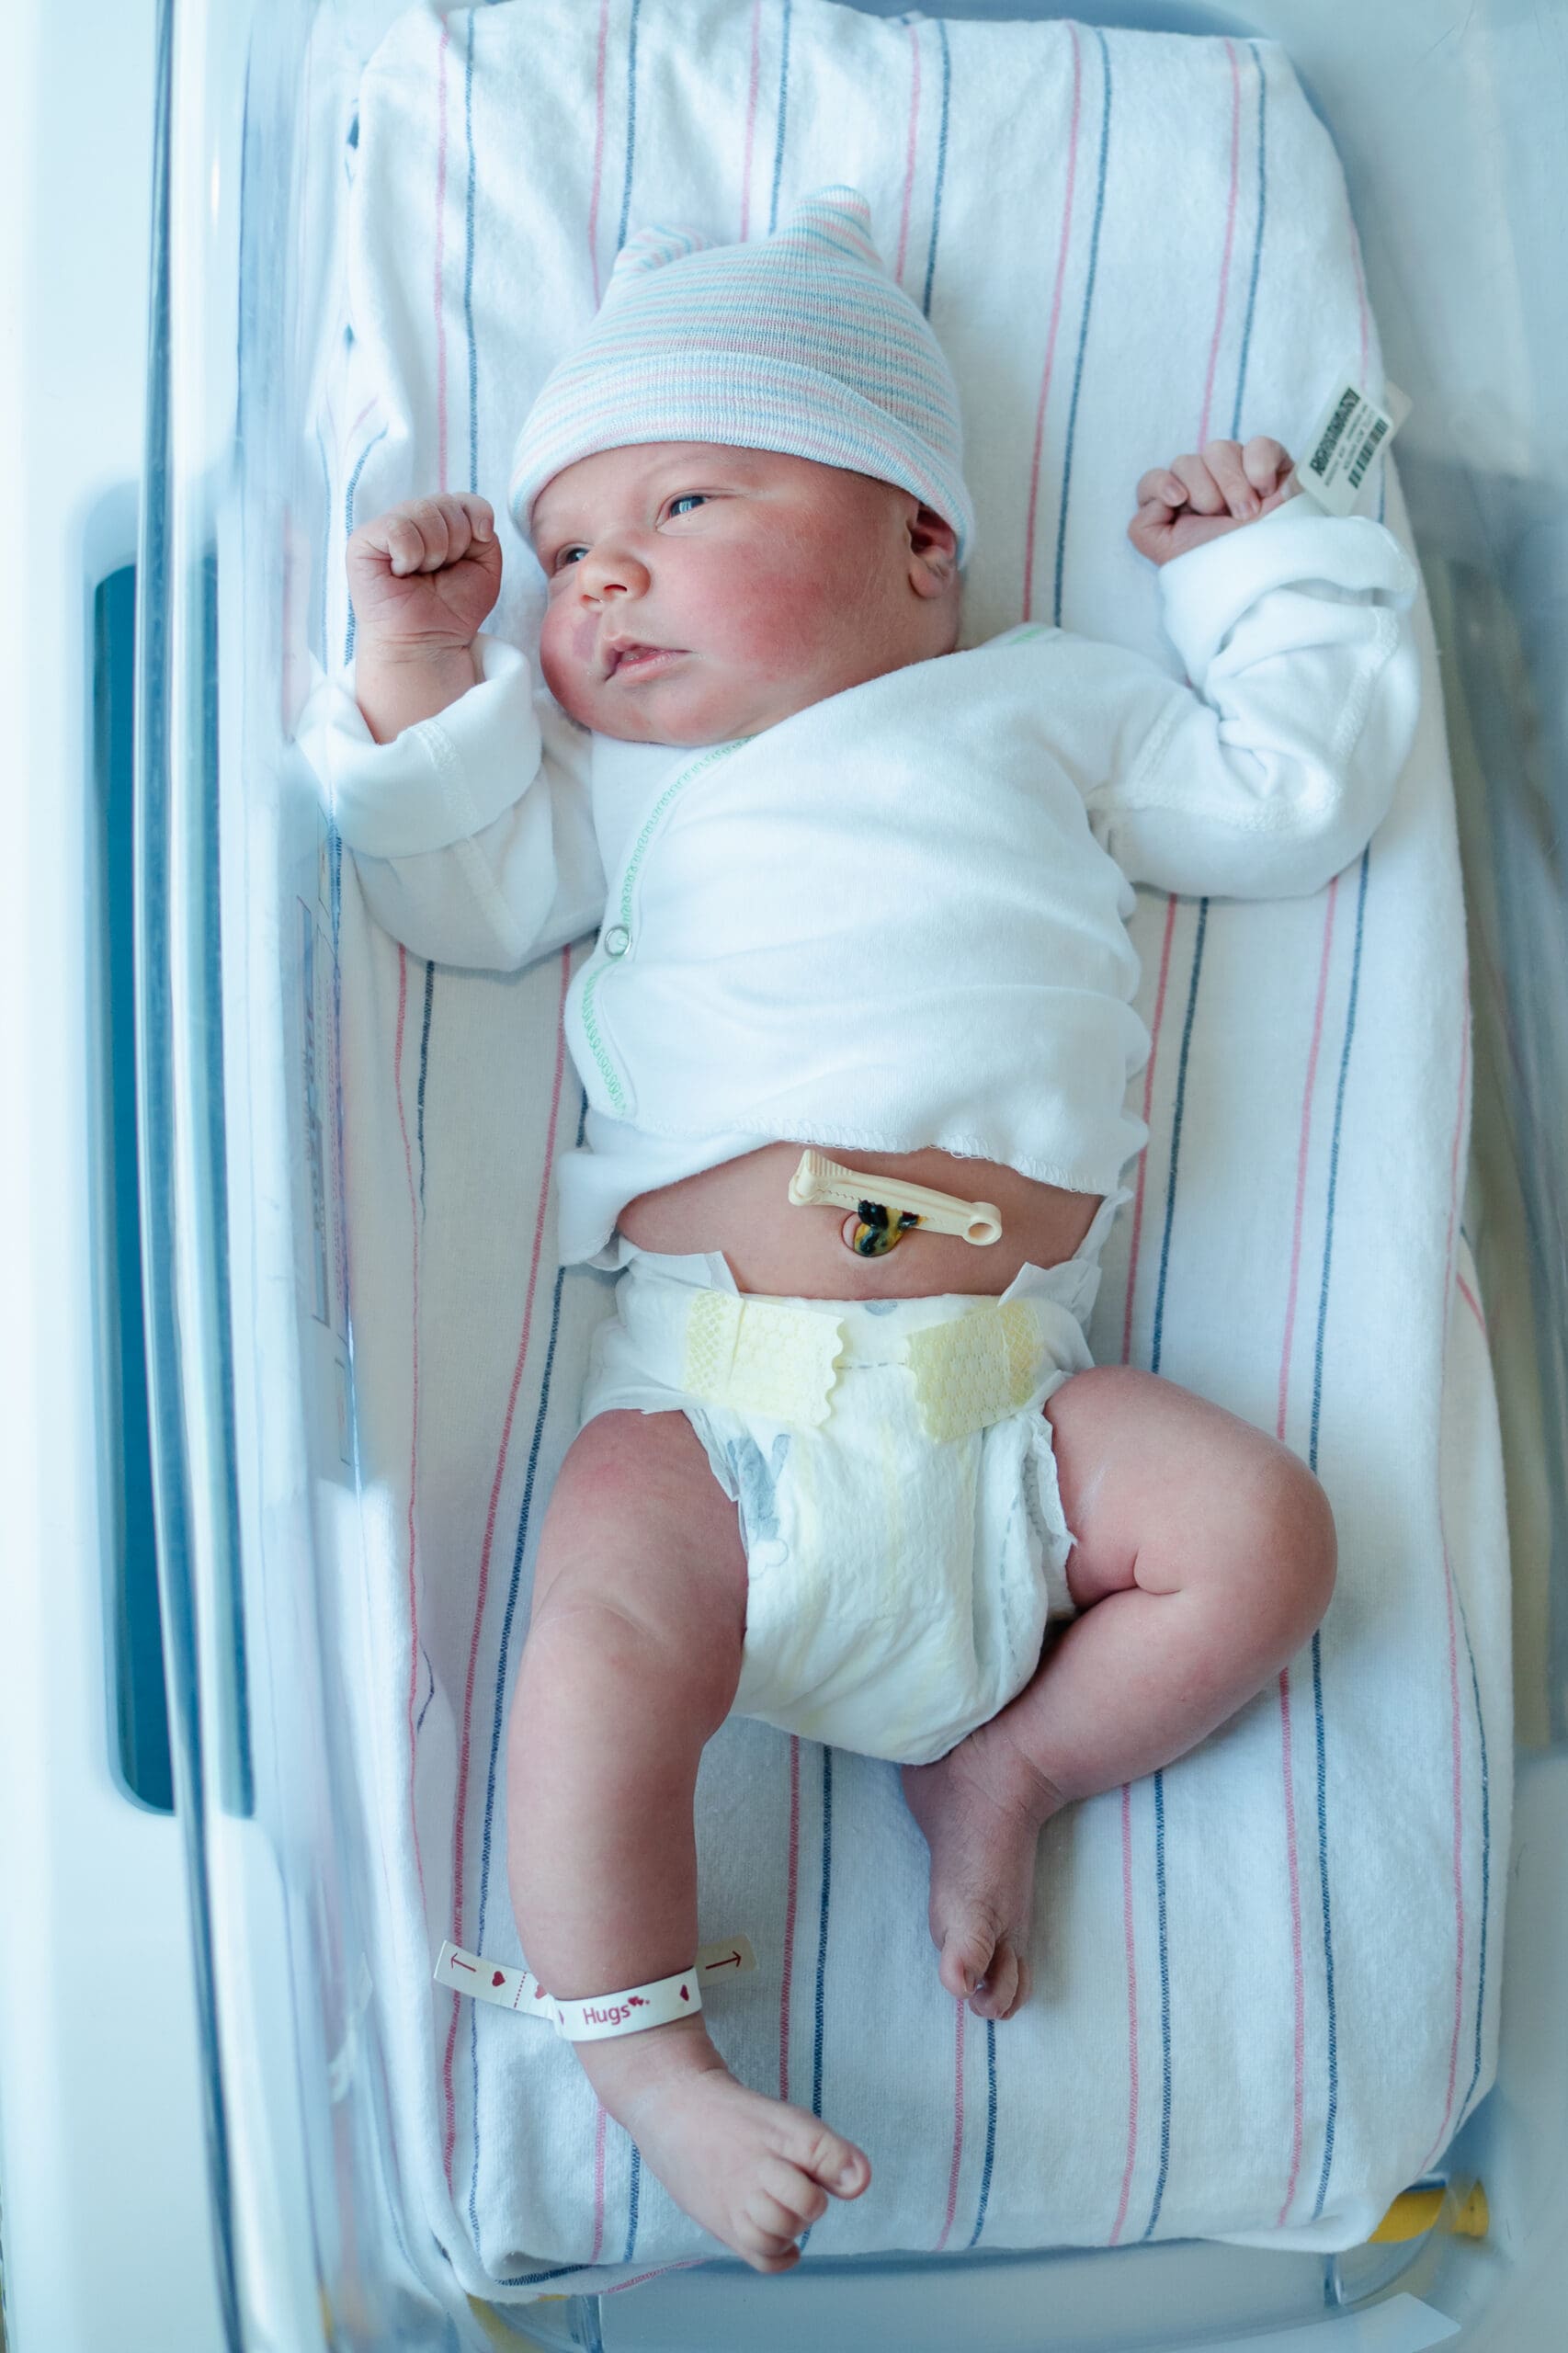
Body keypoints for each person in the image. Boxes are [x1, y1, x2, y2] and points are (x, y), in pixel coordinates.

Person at [304, 185, 1418, 2274]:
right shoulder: (620, 786)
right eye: (564, 548)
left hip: (1019, 1421)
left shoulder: (1045, 700)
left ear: (922, 539)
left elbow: (1288, 795)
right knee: (590, 1662)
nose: (598, 575)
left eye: (682, 502)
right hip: (711, 1402)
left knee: (1266, 1538)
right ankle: (648, 2060)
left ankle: (1014, 1767)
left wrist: (1260, 562)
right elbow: (443, 894)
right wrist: (420, 662)